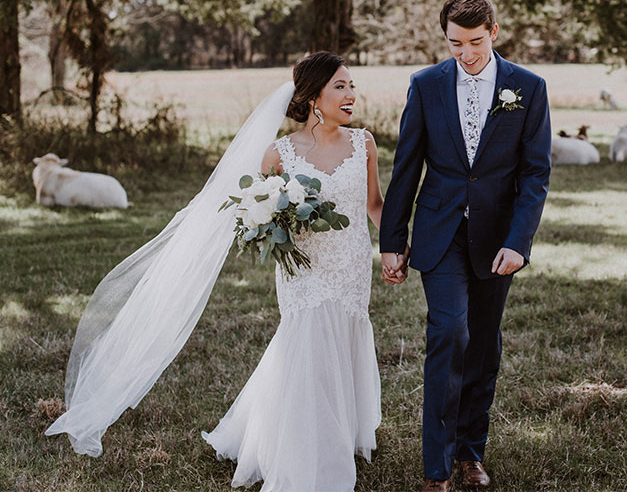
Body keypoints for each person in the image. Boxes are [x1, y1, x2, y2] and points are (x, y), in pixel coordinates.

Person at [46, 51, 390, 491]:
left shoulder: (363, 143)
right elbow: (257, 217)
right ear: (312, 96)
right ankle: (312, 453)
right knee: (309, 346)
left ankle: (341, 428)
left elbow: (374, 204)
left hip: (350, 264)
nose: (350, 95)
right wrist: (275, 228)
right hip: (305, 271)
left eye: (352, 86)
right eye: (340, 86)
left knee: (341, 339)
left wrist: (397, 246)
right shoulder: (279, 153)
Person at [379, 0, 551, 492]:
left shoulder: (529, 87)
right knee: (450, 333)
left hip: (498, 238)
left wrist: (519, 242)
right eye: (456, 44)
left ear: (494, 33)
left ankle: (471, 454)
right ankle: (437, 469)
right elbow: (406, 166)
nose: (467, 54)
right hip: (440, 232)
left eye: (475, 42)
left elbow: (535, 174)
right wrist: (393, 239)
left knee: (483, 346)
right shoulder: (427, 84)